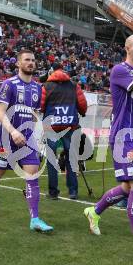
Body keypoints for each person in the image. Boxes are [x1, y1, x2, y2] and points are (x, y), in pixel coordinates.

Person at [83, 34, 133, 256]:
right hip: (123, 137)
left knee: (128, 187)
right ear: (127, 48)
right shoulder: (121, 71)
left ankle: (94, 210)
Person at [0, 50, 53, 233]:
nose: (31, 63)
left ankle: (34, 219)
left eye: (33, 60)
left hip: (28, 140)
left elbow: (35, 115)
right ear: (18, 64)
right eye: (27, 60)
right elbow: (0, 112)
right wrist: (12, 132)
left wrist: (39, 135)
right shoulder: (9, 84)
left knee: (32, 175)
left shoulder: (38, 88)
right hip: (7, 138)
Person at [41, 63, 87, 200]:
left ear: (51, 71)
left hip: (51, 126)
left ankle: (53, 192)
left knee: (51, 158)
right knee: (71, 158)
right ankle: (73, 191)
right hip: (70, 125)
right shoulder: (74, 85)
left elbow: (41, 106)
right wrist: (82, 112)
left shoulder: (46, 86)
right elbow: (82, 105)